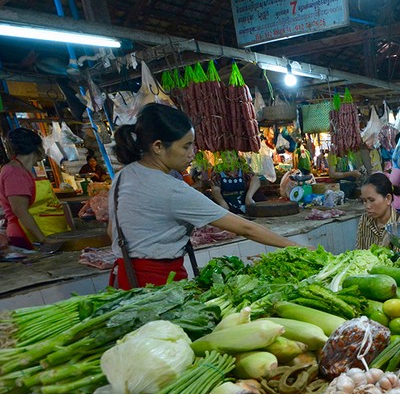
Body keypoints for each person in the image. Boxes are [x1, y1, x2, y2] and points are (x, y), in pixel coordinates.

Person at [109, 103, 300, 290]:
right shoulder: (172, 189)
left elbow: (112, 231)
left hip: (124, 276)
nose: (192, 153)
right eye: (186, 147)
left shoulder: (121, 177)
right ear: (158, 146)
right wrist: (295, 247)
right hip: (157, 283)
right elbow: (245, 228)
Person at [0, 127, 71, 250]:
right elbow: (19, 210)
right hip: (29, 235)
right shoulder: (14, 172)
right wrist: (43, 239)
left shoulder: (24, 170)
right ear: (38, 148)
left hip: (45, 231)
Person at [356, 173, 400, 249]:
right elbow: (359, 252)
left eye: (371, 200)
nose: (367, 206)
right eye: (364, 201)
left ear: (388, 198)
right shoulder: (365, 219)